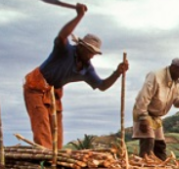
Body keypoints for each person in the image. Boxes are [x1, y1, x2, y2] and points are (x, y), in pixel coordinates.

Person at [24, 3, 128, 149]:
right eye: (89, 51)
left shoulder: (87, 69)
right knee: (42, 127)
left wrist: (117, 73)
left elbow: (102, 86)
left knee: (57, 133)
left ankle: (56, 158)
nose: (91, 55)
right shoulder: (64, 51)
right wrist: (79, 16)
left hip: (54, 93)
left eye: (93, 53)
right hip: (36, 87)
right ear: (80, 46)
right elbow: (62, 36)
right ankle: (46, 159)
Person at [132, 58, 179, 160]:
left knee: (160, 145)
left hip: (156, 117)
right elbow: (143, 97)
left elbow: (177, 103)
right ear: (174, 68)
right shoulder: (156, 76)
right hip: (144, 112)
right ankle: (145, 167)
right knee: (148, 141)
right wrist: (143, 118)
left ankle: (162, 168)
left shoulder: (176, 83)